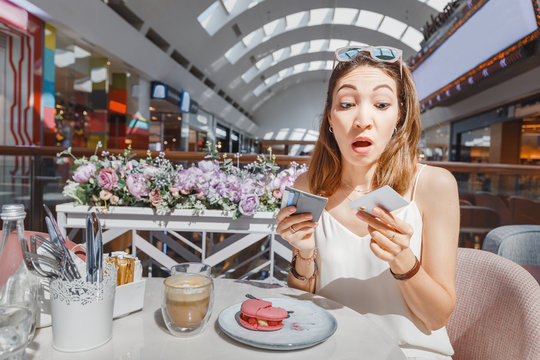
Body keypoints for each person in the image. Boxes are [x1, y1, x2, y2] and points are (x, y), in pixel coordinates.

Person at [276, 46, 459, 359]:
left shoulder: (433, 185)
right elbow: (300, 307)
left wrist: (402, 259)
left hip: (410, 352)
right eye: (347, 104)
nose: (363, 119)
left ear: (399, 115)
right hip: (330, 350)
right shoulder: (308, 186)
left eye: (381, 104)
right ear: (330, 119)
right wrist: (303, 255)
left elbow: (437, 317)